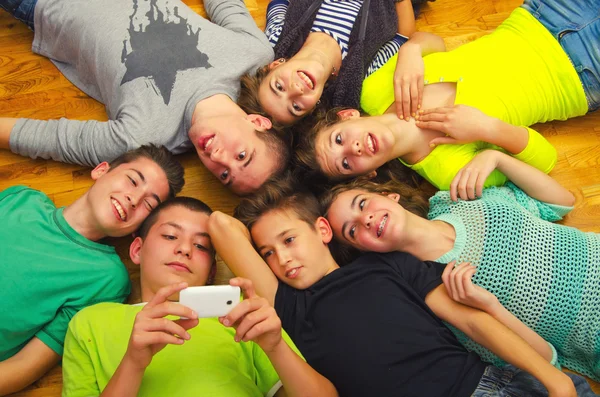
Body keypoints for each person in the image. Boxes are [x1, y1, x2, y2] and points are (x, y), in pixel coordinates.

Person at [206, 177, 598, 397]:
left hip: (491, 387)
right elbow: (221, 227)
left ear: (323, 230)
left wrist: (553, 378)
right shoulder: (288, 306)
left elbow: (474, 323)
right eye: (268, 254)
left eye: (289, 240)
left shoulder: (389, 264)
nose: (283, 260)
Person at [322, 149, 600, 381]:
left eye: (362, 204)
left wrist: (496, 158)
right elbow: (547, 362)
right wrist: (491, 306)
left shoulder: (457, 199)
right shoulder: (440, 295)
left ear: (387, 195)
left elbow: (562, 202)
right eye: (352, 231)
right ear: (365, 251)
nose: (365, 220)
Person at [295, 0, 599, 190]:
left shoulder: (374, 89)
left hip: (542, 15)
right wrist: (486, 128)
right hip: (583, 76)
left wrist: (411, 50)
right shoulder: (447, 173)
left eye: (338, 140)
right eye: (346, 164)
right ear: (369, 174)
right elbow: (545, 161)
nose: (354, 149)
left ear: (347, 116)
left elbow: (435, 43)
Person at [0, 0, 289, 194]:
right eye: (241, 156)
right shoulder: (253, 58)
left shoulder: (143, 139)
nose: (218, 159)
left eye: (225, 175)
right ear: (258, 122)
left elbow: (53, 138)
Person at [62, 196, 337, 397]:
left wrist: (275, 347)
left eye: (201, 246)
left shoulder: (243, 315)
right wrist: (133, 362)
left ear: (211, 271)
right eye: (170, 236)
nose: (184, 249)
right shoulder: (89, 323)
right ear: (136, 250)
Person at [0, 145, 184, 395]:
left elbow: (25, 365)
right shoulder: (23, 199)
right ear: (101, 170)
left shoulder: (106, 279)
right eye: (132, 180)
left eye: (148, 205)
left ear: (137, 229)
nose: (134, 198)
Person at [237, 0, 445, 127]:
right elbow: (403, 36)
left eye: (279, 87)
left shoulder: (277, 39)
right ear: (315, 105)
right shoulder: (360, 74)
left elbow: (279, 4)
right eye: (296, 106)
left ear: (275, 65)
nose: (296, 90)